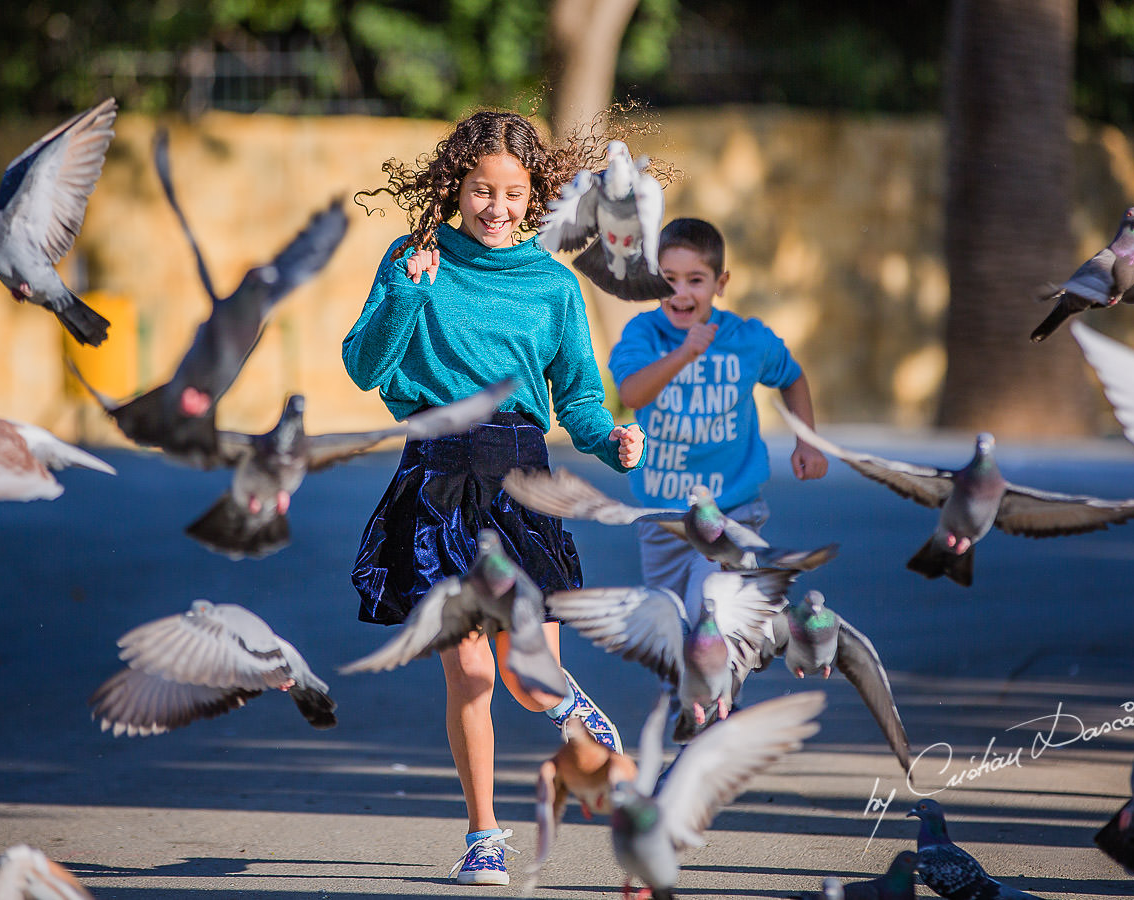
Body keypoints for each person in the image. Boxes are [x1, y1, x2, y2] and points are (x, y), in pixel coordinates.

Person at [342, 110, 646, 887]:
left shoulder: (553, 285)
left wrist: (609, 438)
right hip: (437, 482)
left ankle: (572, 714)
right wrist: (410, 294)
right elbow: (364, 366)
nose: (497, 208)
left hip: (521, 478)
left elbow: (577, 395)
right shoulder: (415, 257)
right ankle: (483, 836)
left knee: (525, 675)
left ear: (534, 194)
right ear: (456, 187)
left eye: (513, 194)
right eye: (482, 191)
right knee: (470, 674)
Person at [608, 217, 827, 622]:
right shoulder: (643, 334)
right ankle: (678, 688)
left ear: (720, 283)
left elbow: (792, 376)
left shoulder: (746, 340)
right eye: (668, 279)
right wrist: (683, 354)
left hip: (732, 514)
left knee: (714, 613)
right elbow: (632, 393)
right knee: (674, 632)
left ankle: (723, 687)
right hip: (665, 522)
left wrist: (807, 441)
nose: (680, 293)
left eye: (695, 279)